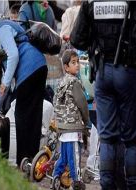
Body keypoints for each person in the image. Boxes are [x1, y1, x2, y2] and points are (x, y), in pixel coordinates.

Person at [70, 1, 136, 189]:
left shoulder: (91, 2)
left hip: (102, 73)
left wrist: (97, 41)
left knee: (107, 137)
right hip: (127, 71)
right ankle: (134, 185)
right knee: (131, 139)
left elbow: (77, 39)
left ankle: (107, 185)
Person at [0, 11, 48, 166]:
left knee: (22, 115)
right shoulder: (8, 29)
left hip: (29, 71)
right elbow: (6, 76)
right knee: (33, 116)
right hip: (40, 66)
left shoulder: (2, 28)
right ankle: (32, 160)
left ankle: (23, 161)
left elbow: (14, 56)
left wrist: (2, 87)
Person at [52, 49, 89, 190]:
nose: (77, 65)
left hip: (63, 125)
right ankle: (77, 181)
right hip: (73, 126)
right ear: (66, 67)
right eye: (74, 63)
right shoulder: (75, 83)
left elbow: (56, 101)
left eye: (78, 62)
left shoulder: (61, 82)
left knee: (64, 157)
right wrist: (87, 121)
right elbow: (82, 104)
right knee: (75, 156)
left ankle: (56, 176)